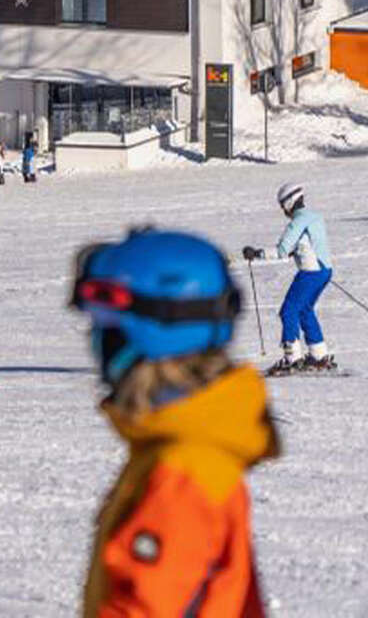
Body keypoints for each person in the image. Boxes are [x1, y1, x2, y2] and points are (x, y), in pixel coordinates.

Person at [71, 228, 277, 617]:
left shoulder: (183, 474)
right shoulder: (178, 447)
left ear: (148, 330)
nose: (95, 337)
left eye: (103, 317)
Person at [257, 182, 335, 374]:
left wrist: (257, 253)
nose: (283, 209)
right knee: (304, 310)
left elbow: (282, 251)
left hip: (309, 273)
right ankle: (319, 355)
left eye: (282, 205)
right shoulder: (314, 217)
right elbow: (308, 242)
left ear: (290, 201)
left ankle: (292, 358)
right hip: (324, 271)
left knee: (288, 311)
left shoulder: (298, 221)